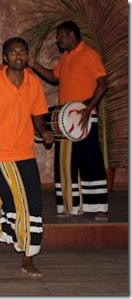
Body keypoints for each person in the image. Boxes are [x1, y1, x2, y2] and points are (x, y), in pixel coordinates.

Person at [0, 37, 53, 277]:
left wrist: (44, 130)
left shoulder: (34, 83)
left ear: (27, 57)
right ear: (5, 57)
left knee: (30, 206)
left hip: (23, 154)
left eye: (22, 52)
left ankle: (28, 257)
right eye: (13, 52)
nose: (18, 56)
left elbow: (38, 115)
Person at [28, 20, 109, 221]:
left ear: (71, 35)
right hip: (64, 118)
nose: (58, 40)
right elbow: (54, 78)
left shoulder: (90, 55)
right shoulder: (65, 57)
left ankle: (99, 206)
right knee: (66, 162)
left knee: (91, 160)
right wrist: (34, 65)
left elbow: (103, 83)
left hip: (85, 115)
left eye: (60, 36)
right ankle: (69, 205)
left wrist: (88, 109)